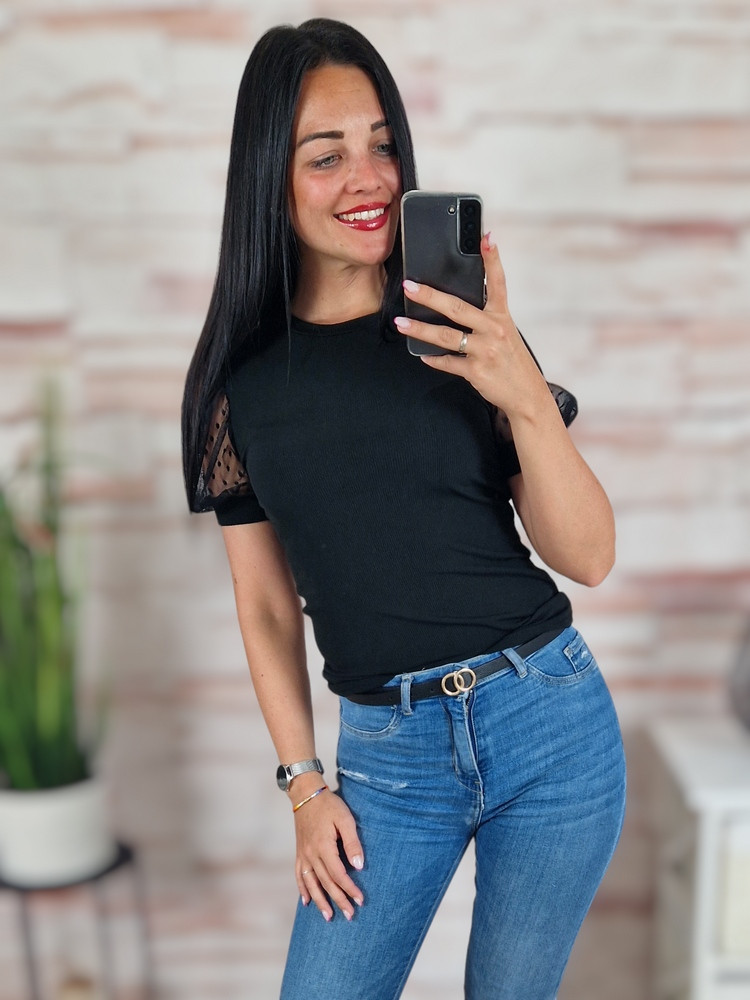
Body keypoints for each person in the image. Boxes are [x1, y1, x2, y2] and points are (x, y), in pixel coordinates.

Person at [181, 17, 626, 1000]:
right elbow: (265, 605)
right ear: (268, 177)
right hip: (389, 763)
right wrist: (304, 786)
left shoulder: (463, 330)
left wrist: (520, 390)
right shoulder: (239, 391)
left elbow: (589, 555)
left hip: (549, 724)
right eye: (326, 155)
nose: (370, 178)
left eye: (382, 144)